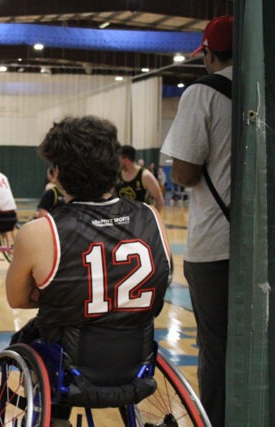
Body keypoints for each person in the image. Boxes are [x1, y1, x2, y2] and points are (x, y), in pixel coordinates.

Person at [6, 116, 171, 425]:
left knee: (32, 336)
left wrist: (69, 295)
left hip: (70, 366)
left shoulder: (40, 232)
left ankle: (54, 418)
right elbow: (162, 284)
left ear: (57, 174)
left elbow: (17, 299)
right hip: (137, 360)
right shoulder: (152, 218)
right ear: (115, 168)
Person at [160, 15, 233, 427]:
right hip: (261, 243)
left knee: (217, 349)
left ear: (208, 52)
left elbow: (184, 173)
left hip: (216, 245)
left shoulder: (203, 93)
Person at [116, 145, 165, 212]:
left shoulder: (145, 176)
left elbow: (159, 200)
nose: (117, 161)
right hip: (122, 219)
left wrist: (152, 219)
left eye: (119, 159)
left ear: (126, 160)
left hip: (140, 219)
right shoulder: (118, 174)